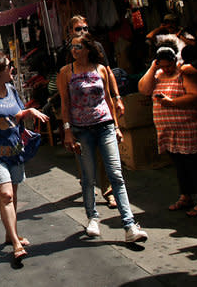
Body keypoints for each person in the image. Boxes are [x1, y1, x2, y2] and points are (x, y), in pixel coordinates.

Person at [58, 35, 148, 243]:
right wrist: (67, 130)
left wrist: (116, 125)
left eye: (78, 46)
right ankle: (92, 217)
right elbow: (65, 104)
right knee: (88, 178)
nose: (74, 50)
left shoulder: (101, 69)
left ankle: (129, 224)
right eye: (72, 47)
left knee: (115, 174)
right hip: (81, 130)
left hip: (105, 125)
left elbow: (107, 98)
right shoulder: (66, 72)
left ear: (88, 48)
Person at [0, 52, 48, 268]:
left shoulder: (12, 90)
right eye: (8, 66)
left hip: (14, 151)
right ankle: (16, 243)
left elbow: (16, 114)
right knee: (5, 195)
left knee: (13, 196)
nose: (12, 68)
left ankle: (9, 233)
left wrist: (29, 111)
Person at [138, 44, 197, 217]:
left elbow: (196, 95)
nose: (166, 69)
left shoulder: (184, 73)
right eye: (162, 65)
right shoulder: (157, 74)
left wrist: (172, 103)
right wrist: (152, 68)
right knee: (180, 165)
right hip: (168, 131)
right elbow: (143, 89)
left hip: (188, 129)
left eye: (168, 65)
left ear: (174, 60)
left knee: (194, 164)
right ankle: (185, 196)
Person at [70, 15, 123, 209]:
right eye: (78, 29)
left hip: (99, 114)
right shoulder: (66, 53)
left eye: (85, 27)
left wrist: (117, 97)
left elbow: (107, 73)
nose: (83, 31)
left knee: (104, 157)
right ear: (70, 32)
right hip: (78, 117)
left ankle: (108, 192)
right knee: (84, 156)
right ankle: (88, 185)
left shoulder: (97, 48)